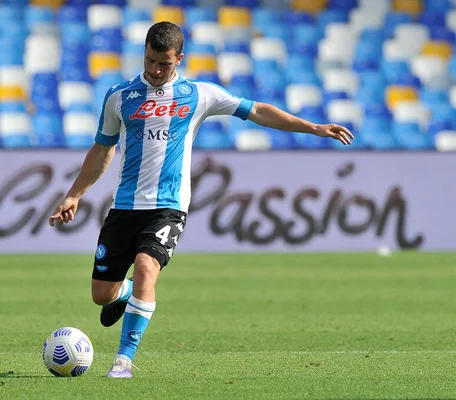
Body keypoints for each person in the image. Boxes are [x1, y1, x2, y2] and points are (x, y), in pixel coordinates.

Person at [48, 21, 354, 378]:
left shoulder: (199, 94)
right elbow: (103, 149)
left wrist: (314, 127)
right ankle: (125, 292)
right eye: (150, 61)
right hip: (125, 207)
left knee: (148, 268)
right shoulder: (119, 96)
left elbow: (256, 111)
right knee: (102, 294)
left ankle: (123, 361)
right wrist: (74, 195)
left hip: (167, 208)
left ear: (179, 58)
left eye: (164, 63)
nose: (156, 70)